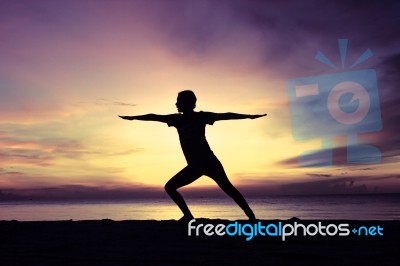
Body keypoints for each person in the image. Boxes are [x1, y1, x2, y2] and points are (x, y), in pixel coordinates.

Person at [119, 90, 266, 221]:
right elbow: (154, 117)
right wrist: (134, 118)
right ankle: (188, 216)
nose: (176, 104)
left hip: (209, 161)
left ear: (187, 103)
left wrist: (249, 116)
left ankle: (251, 217)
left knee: (229, 189)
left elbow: (226, 115)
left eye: (178, 101)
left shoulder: (201, 117)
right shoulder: (177, 119)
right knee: (170, 187)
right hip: (195, 166)